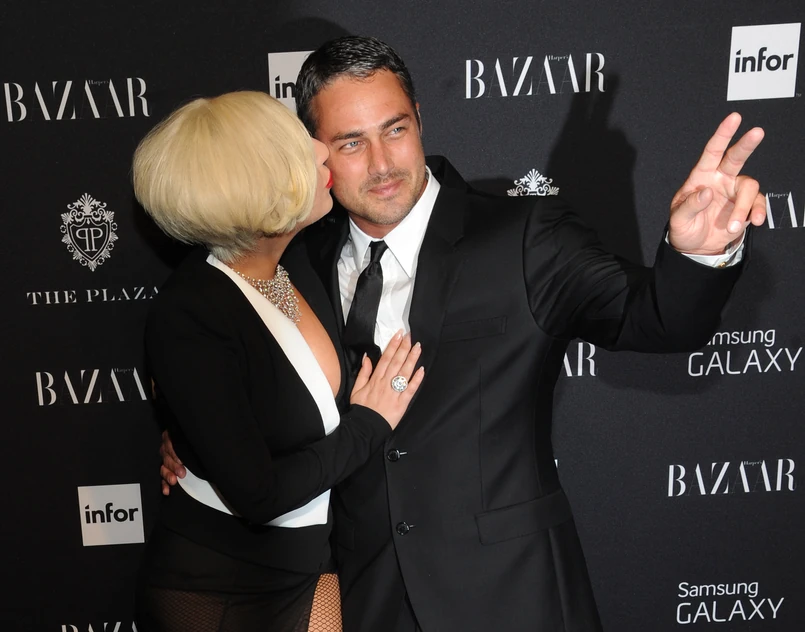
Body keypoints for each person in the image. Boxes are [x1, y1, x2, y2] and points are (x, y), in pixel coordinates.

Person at [161, 37, 766, 631]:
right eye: (351, 143)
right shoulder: (295, 257)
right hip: (367, 597)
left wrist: (698, 255)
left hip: (511, 596)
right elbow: (248, 382)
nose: (381, 164)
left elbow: (656, 319)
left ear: (420, 120)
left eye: (395, 130)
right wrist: (194, 439)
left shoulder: (523, 236)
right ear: (314, 152)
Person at [132, 90, 424, 632]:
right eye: (298, 146)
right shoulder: (189, 313)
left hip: (313, 563)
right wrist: (369, 424)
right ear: (259, 185)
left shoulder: (300, 263)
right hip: (219, 588)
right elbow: (259, 493)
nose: (321, 150)